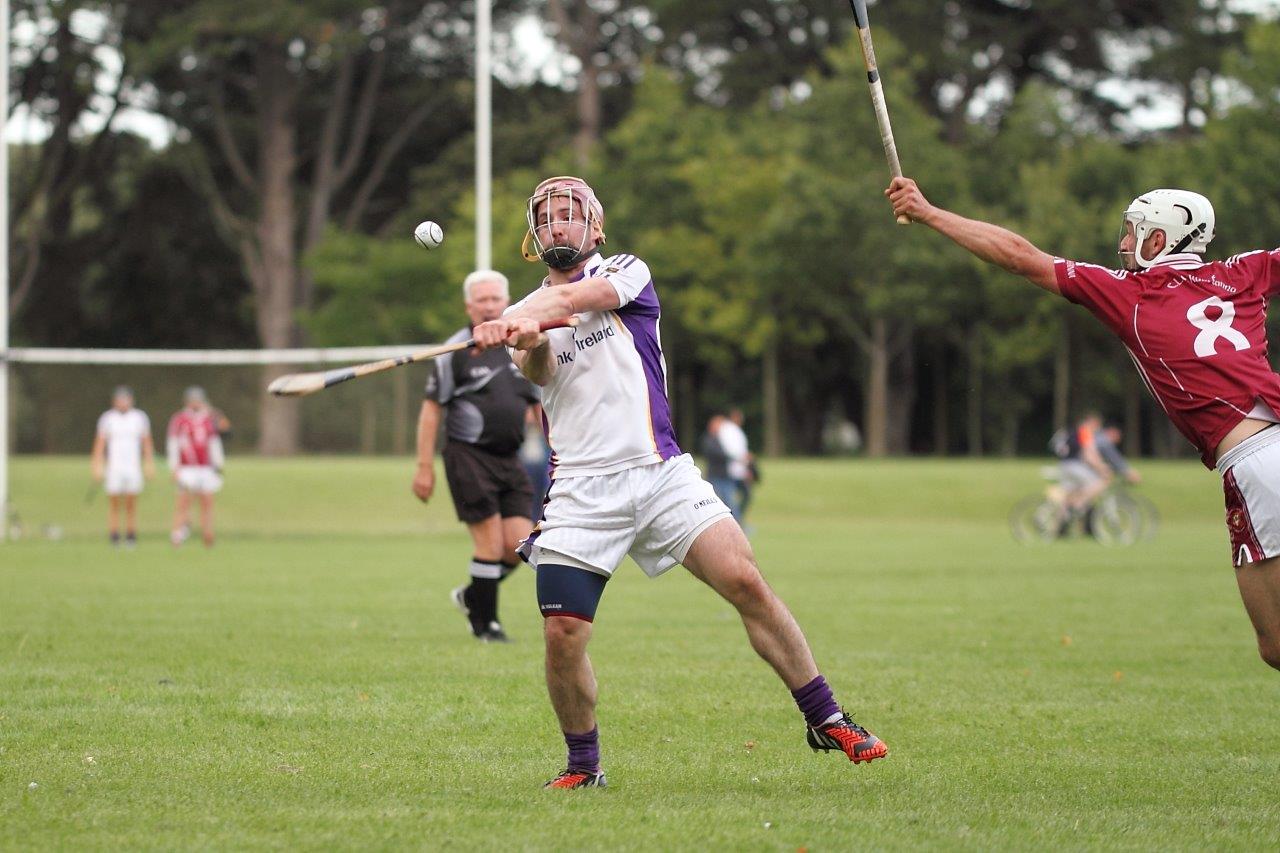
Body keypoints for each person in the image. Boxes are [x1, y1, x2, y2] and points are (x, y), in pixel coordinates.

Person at [474, 175, 887, 789]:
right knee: (563, 634)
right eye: (548, 217)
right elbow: (537, 364)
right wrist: (522, 337)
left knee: (746, 580)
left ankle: (826, 715)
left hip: (660, 473)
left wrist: (518, 316)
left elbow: (572, 303)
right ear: (534, 235)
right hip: (582, 490)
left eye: (570, 214)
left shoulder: (627, 272)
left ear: (594, 224)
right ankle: (584, 767)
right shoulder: (524, 315)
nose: (559, 224)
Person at [887, 176, 1280, 671]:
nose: (1122, 243)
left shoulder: (1129, 292)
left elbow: (1016, 254)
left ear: (1160, 240)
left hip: (1256, 466)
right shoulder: (1244, 272)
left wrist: (928, 213)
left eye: (1132, 231)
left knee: (1276, 647)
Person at [412, 269, 540, 643]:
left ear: (507, 301)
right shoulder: (454, 351)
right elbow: (430, 411)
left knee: (520, 547)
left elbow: (539, 408)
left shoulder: (521, 346)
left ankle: (473, 595)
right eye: (481, 300)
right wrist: (424, 467)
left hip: (509, 458)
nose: (489, 306)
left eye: (495, 299)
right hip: (467, 456)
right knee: (486, 544)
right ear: (469, 306)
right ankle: (487, 626)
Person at [90, 386, 155, 548]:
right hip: (114, 467)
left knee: (131, 503)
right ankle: (114, 535)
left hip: (133, 467)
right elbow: (100, 444)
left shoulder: (139, 418)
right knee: (114, 503)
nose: (122, 402)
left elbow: (146, 442)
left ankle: (131, 535)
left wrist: (148, 463)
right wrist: (97, 465)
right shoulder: (107, 419)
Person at [167, 386, 225, 547]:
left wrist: (219, 464)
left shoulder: (209, 419)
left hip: (205, 468)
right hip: (187, 468)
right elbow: (173, 444)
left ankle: (208, 535)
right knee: (184, 502)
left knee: (207, 502)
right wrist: (174, 467)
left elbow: (214, 442)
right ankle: (177, 535)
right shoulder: (179, 419)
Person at [699, 414, 740, 519]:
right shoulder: (709, 440)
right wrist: (731, 455)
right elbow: (716, 454)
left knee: (730, 502)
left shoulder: (721, 439)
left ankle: (738, 524)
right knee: (717, 503)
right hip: (715, 476)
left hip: (725, 475)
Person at [722, 407, 755, 522]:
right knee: (730, 499)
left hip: (740, 470)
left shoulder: (737, 431)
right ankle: (735, 522)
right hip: (731, 471)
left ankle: (737, 521)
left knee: (745, 496)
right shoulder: (727, 430)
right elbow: (729, 451)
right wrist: (743, 458)